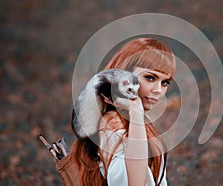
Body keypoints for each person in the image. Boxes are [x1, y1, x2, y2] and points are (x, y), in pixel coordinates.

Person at [68, 37, 176, 186]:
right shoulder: (115, 126)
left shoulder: (130, 122)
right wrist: (136, 114)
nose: (158, 90)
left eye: (165, 82)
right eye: (150, 78)